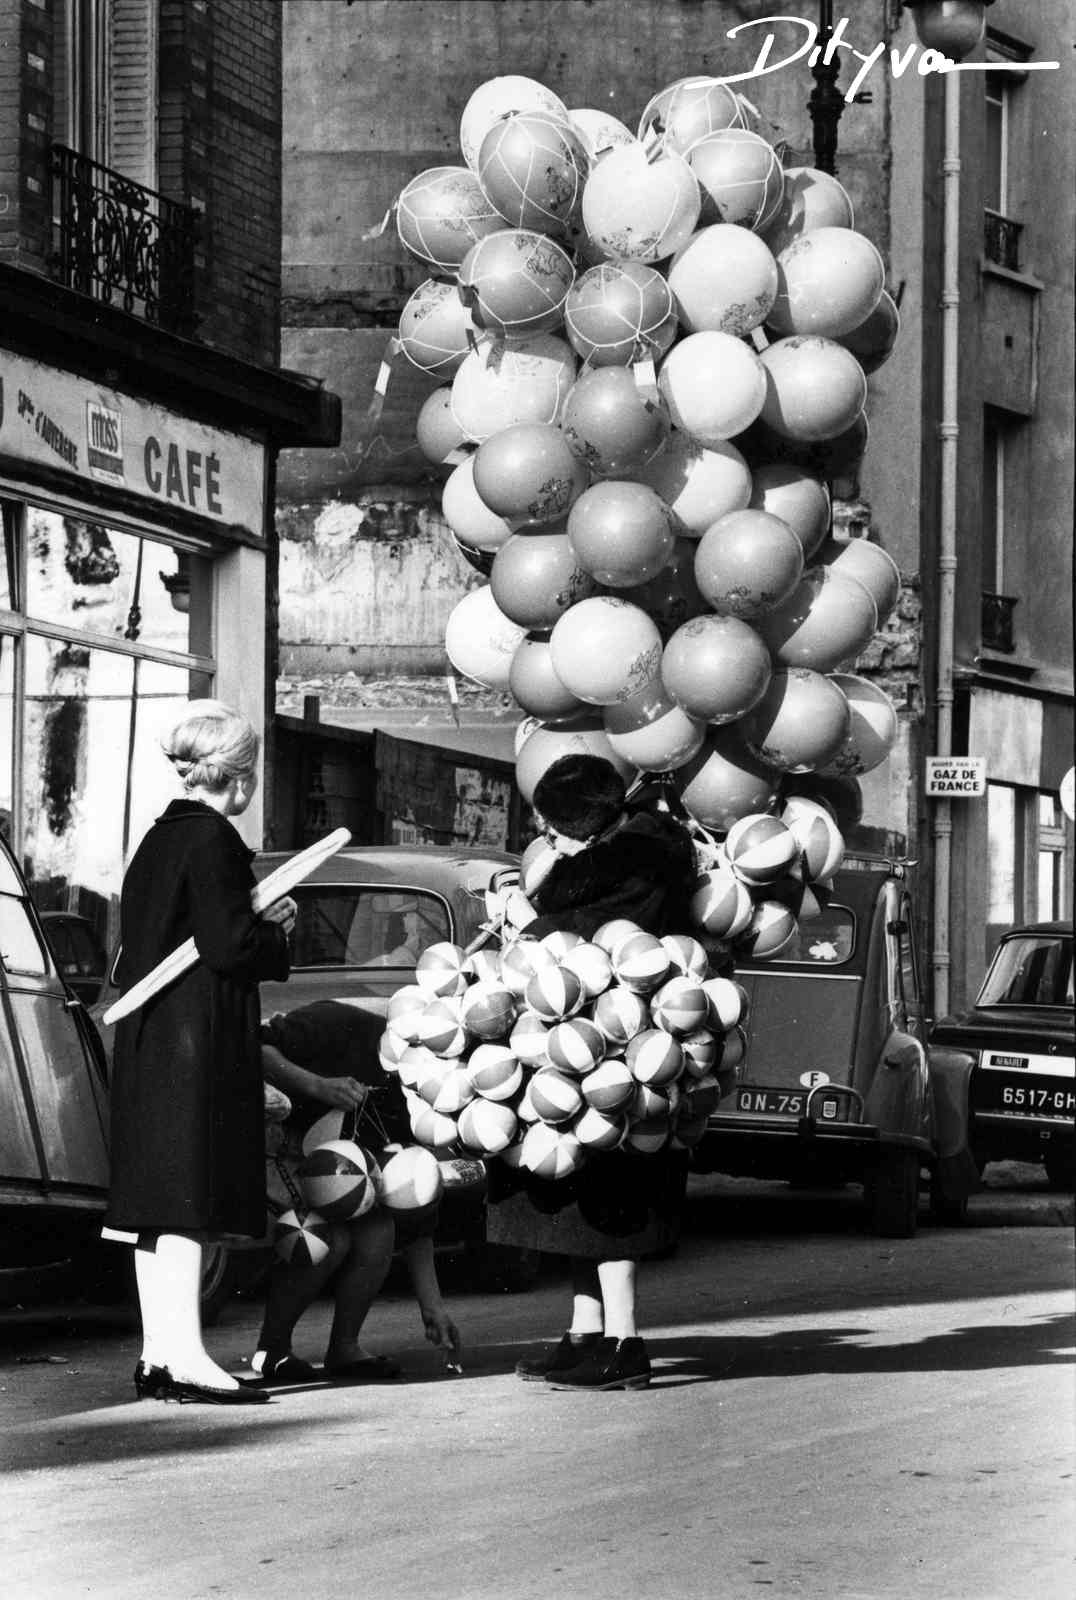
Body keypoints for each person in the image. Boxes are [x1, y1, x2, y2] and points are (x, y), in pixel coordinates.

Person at [104, 700, 297, 1405]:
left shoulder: (159, 837)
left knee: (156, 1207)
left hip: (151, 1038)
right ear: (239, 778)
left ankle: (159, 1354)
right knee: (190, 1199)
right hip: (196, 1041)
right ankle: (185, 1357)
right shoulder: (215, 840)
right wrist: (275, 932)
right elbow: (228, 946)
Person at [486, 753, 697, 1392]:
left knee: (610, 1198)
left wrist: (527, 920)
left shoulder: (637, 859)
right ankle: (585, 1333)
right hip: (581, 1041)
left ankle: (624, 1343)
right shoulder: (618, 850)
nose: (547, 837)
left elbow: (591, 935)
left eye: (554, 825)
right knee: (573, 1199)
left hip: (622, 1048)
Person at [253, 1000, 461, 1385]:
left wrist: (432, 1307)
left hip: (327, 1170)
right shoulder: (340, 1022)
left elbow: (412, 1204)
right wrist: (316, 1085)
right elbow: (257, 1048)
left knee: (379, 1229)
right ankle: (272, 1351)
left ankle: (345, 1349)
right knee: (324, 1238)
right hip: (264, 1146)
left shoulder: (418, 1098)